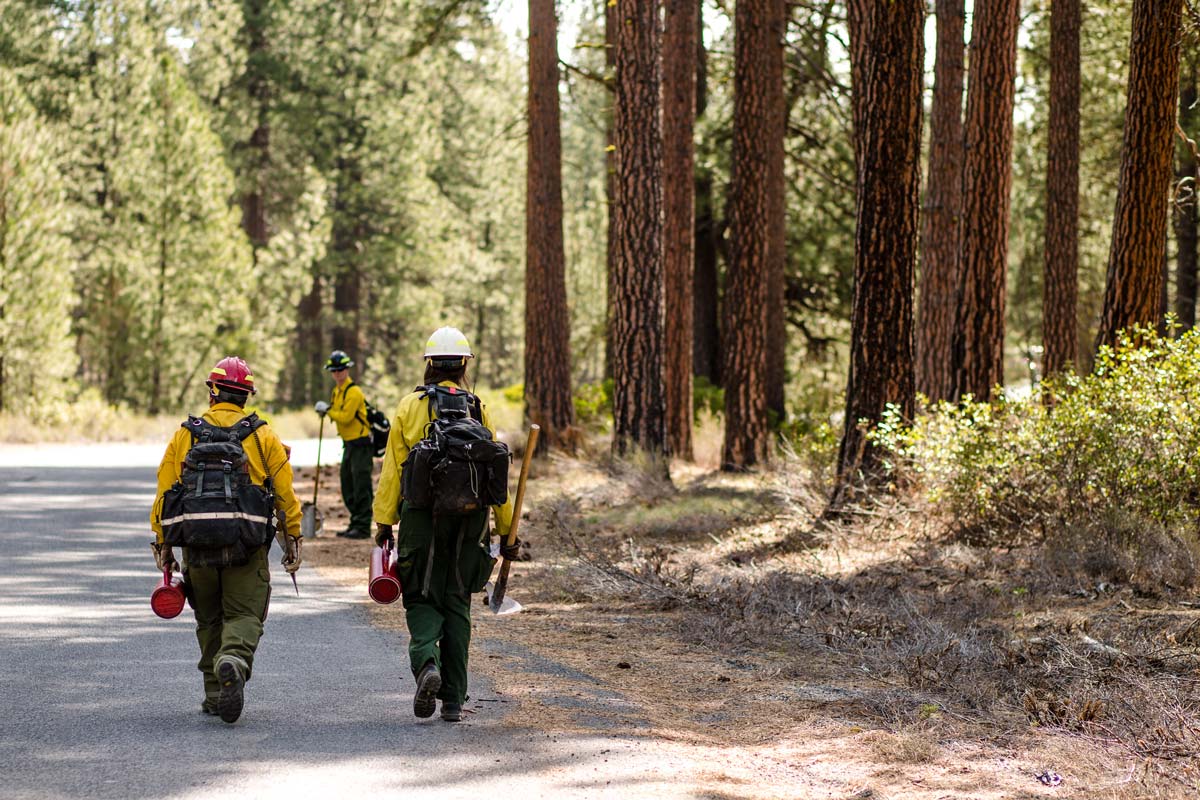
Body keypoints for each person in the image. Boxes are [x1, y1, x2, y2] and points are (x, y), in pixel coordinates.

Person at [373, 327, 519, 722]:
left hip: (421, 517)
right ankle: (453, 700)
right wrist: (507, 531)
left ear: (429, 364)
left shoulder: (410, 406)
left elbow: (392, 471)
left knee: (421, 595)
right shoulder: (478, 408)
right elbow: (496, 479)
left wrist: (384, 522)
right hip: (472, 520)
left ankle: (427, 663)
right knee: (457, 601)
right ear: (464, 365)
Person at [150, 356, 302, 724]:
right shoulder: (263, 436)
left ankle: (215, 695)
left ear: (213, 392)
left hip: (196, 544)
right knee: (245, 614)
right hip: (247, 545)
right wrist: (292, 537)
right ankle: (232, 658)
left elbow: (165, 491)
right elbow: (284, 493)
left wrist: (163, 542)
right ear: (246, 395)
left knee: (208, 618)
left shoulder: (186, 434)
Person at [314, 350, 374, 539]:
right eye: (334, 370)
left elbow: (346, 417)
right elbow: (337, 413)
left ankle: (363, 526)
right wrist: (328, 411)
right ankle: (355, 523)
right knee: (347, 484)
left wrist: (327, 411)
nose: (337, 373)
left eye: (341, 369)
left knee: (361, 485)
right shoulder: (336, 391)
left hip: (361, 445)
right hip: (348, 444)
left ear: (347, 369)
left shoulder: (354, 392)